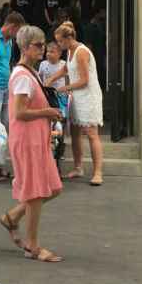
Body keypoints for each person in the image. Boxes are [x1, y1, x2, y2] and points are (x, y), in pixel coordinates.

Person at [0, 25, 65, 261]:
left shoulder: (29, 73)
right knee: (37, 192)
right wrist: (47, 111)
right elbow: (20, 112)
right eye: (38, 45)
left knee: (53, 187)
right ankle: (32, 246)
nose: (42, 49)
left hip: (35, 139)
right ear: (25, 48)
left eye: (43, 44)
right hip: (28, 140)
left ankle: (12, 217)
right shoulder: (23, 76)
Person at [47, 23, 105, 185]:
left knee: (92, 133)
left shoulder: (81, 52)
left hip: (88, 96)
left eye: (60, 41)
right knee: (75, 132)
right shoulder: (70, 51)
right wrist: (52, 79)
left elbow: (85, 80)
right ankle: (78, 167)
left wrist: (65, 87)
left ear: (68, 38)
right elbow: (67, 69)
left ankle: (98, 172)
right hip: (76, 96)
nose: (59, 45)